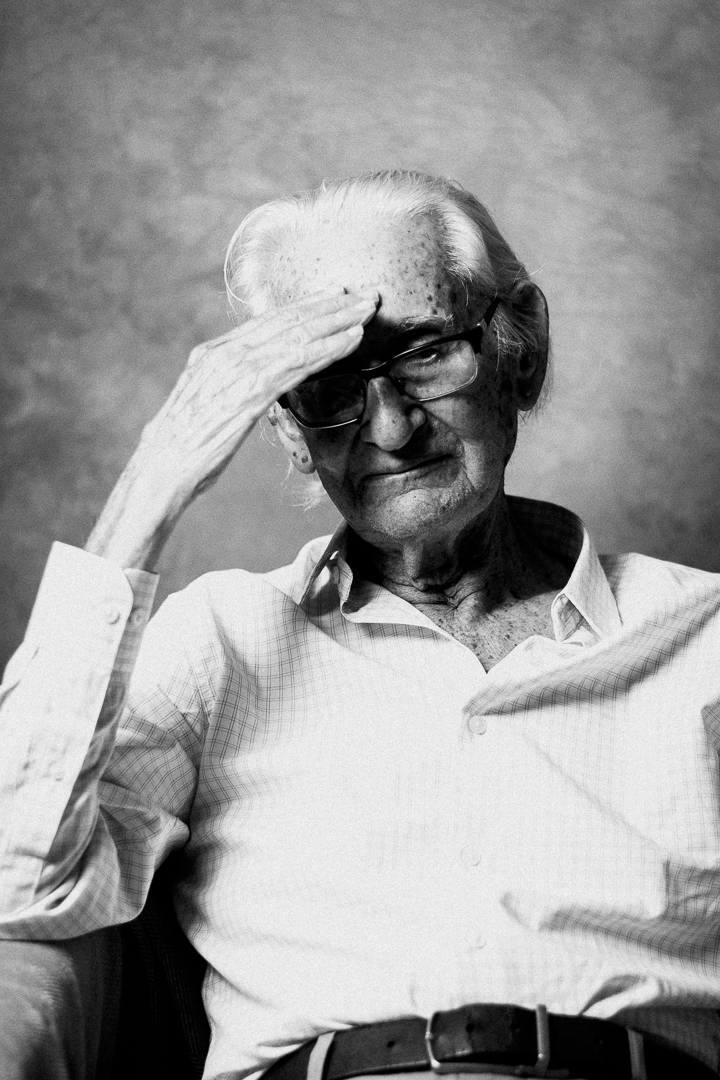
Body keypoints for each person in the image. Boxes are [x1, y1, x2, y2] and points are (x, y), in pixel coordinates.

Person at [0, 170, 719, 1080]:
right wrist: (155, 477)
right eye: (327, 386)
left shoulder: (704, 637)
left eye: (425, 353)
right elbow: (16, 880)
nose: (390, 427)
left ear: (521, 350)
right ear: (288, 430)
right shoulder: (220, 643)